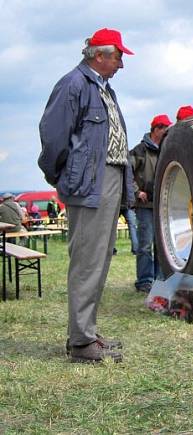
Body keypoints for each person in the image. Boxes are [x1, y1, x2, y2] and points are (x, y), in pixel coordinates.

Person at [38, 28, 135, 364]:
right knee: (87, 262)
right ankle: (81, 342)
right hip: (90, 182)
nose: (122, 63)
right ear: (100, 55)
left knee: (99, 261)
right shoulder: (74, 84)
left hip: (106, 180)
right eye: (118, 56)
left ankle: (86, 333)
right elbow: (53, 139)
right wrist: (62, 175)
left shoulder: (102, 88)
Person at [130, 114, 172, 292]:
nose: (167, 132)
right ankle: (144, 281)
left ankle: (159, 279)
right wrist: (136, 191)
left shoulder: (166, 149)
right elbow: (126, 172)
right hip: (145, 205)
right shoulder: (139, 150)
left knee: (161, 246)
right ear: (156, 129)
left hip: (161, 205)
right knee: (145, 245)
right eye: (164, 129)